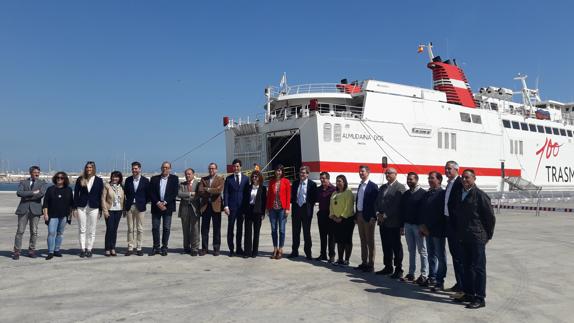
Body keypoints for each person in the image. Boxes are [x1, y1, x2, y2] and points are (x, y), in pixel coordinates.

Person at [453, 169, 495, 309]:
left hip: (477, 237)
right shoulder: (460, 194)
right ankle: (469, 293)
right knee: (466, 267)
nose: (464, 180)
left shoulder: (480, 195)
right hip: (464, 237)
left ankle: (480, 297)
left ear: (474, 178)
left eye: (467, 178)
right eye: (463, 178)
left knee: (478, 268)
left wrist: (487, 235)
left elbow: (490, 218)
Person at [375, 167, 406, 278]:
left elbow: (397, 205)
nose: (387, 175)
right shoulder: (383, 187)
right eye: (386, 173)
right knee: (386, 245)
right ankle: (388, 267)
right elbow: (377, 201)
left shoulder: (400, 187)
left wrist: (385, 215)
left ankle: (398, 269)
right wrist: (378, 213)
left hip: (394, 222)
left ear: (395, 174)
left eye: (389, 173)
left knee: (396, 246)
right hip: (382, 222)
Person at [419, 171, 447, 291]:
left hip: (438, 230)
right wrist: (422, 226)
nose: (430, 180)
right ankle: (432, 277)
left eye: (432, 178)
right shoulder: (427, 194)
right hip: (427, 230)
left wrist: (428, 227)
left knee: (440, 257)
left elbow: (440, 214)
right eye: (429, 178)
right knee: (431, 255)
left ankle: (440, 281)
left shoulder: (443, 194)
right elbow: (423, 211)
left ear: (439, 180)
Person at [13, 166, 47, 260]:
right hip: (23, 209)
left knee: (34, 231)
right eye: (35, 172)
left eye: (38, 172)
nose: (37, 174)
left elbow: (41, 194)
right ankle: (17, 251)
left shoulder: (42, 183)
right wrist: (32, 193)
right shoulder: (23, 182)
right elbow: (19, 193)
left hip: (35, 210)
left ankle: (31, 250)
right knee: (20, 231)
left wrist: (26, 195)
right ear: (30, 173)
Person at [399, 172, 428, 284]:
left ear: (417, 180)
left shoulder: (423, 194)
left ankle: (424, 274)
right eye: (408, 179)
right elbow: (402, 211)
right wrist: (402, 226)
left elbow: (425, 212)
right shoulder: (406, 194)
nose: (409, 181)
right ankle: (411, 273)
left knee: (422, 251)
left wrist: (423, 227)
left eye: (411, 179)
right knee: (411, 250)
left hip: (418, 226)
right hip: (408, 225)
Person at [74, 161, 104, 258]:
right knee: (82, 229)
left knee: (92, 229)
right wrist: (75, 208)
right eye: (87, 167)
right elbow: (76, 194)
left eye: (90, 167)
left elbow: (101, 195)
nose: (88, 169)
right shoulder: (80, 179)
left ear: (93, 168)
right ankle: (82, 249)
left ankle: (89, 249)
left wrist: (100, 209)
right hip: (81, 206)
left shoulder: (99, 180)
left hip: (94, 207)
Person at [149, 161, 179, 256]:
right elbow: (151, 192)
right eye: (163, 167)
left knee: (166, 228)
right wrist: (158, 202)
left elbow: (174, 193)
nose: (165, 169)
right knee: (155, 228)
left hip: (168, 207)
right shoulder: (154, 179)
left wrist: (165, 202)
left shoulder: (174, 179)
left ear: (170, 169)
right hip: (156, 206)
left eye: (167, 167)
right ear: (161, 168)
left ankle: (164, 247)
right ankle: (156, 247)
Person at [42, 172, 73, 260]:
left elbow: (71, 204)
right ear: (55, 178)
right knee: (51, 233)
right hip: (52, 215)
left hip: (63, 215)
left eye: (61, 178)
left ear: (65, 179)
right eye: (58, 177)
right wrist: (45, 214)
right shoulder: (50, 189)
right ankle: (50, 252)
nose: (59, 179)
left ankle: (57, 250)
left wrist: (70, 216)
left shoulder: (69, 190)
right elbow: (45, 203)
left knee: (60, 233)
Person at [289, 166, 318, 260]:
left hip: (306, 210)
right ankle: (294, 251)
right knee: (295, 232)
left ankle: (308, 253)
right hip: (296, 210)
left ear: (307, 174)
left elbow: (314, 198)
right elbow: (292, 197)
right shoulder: (295, 183)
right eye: (301, 172)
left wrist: (309, 207)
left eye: (304, 173)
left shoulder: (312, 184)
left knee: (306, 233)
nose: (302, 174)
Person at [354, 165, 379, 273]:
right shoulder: (360, 185)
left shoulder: (373, 186)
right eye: (360, 171)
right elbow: (358, 200)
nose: (361, 173)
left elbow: (375, 202)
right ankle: (364, 262)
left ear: (368, 172)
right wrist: (356, 215)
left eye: (363, 171)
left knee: (370, 241)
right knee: (362, 240)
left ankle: (371, 264)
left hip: (369, 217)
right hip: (359, 215)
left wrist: (374, 216)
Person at [444, 160, 464, 293]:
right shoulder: (449, 183)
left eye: (449, 169)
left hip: (456, 225)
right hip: (448, 222)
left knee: (460, 256)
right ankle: (459, 283)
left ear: (457, 169)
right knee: (454, 255)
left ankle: (463, 286)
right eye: (445, 169)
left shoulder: (460, 183)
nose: (446, 171)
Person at [123, 161, 150, 256]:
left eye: (136, 168)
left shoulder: (145, 181)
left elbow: (148, 194)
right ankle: (130, 247)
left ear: (139, 169)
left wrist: (143, 202)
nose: (134, 170)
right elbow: (125, 193)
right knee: (130, 228)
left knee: (140, 229)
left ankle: (139, 248)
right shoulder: (128, 180)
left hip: (140, 207)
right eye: (133, 168)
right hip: (130, 206)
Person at [223, 159, 249, 256]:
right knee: (230, 228)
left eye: (237, 166)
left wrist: (247, 207)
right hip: (231, 208)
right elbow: (225, 193)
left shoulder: (246, 178)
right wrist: (225, 206)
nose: (236, 168)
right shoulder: (228, 179)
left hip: (242, 208)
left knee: (239, 229)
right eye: (234, 166)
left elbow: (247, 194)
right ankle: (231, 249)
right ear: (232, 167)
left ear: (240, 167)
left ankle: (239, 248)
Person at [198, 163, 225, 256]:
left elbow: (219, 191)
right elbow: (200, 191)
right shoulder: (203, 179)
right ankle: (204, 248)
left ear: (216, 169)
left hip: (216, 207)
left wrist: (208, 189)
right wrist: (212, 189)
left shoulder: (220, 179)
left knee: (217, 229)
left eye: (213, 168)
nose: (211, 170)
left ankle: (216, 249)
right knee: (204, 229)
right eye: (210, 168)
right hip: (205, 206)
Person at [266, 164, 291, 260]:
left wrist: (288, 208)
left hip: (282, 209)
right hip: (272, 209)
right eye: (277, 170)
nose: (278, 172)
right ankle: (275, 248)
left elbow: (288, 196)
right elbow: (268, 196)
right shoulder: (271, 182)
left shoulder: (286, 182)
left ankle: (280, 249)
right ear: (275, 171)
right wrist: (267, 208)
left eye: (280, 170)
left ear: (282, 172)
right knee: (273, 230)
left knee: (282, 230)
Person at [329, 175, 354, 266]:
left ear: (344, 182)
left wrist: (341, 217)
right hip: (335, 220)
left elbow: (349, 206)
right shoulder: (334, 193)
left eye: (340, 181)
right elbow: (331, 205)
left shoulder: (348, 192)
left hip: (346, 220)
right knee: (339, 240)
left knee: (347, 240)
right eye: (337, 181)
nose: (338, 183)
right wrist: (333, 215)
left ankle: (346, 259)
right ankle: (340, 259)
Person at [242, 170, 267, 258]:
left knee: (256, 233)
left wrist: (263, 213)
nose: (254, 178)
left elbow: (264, 202)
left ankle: (255, 252)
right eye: (252, 177)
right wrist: (244, 212)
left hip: (258, 212)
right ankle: (247, 252)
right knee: (248, 232)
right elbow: (244, 200)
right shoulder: (248, 187)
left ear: (259, 178)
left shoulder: (263, 188)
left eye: (256, 176)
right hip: (249, 211)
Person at [101, 171, 125, 257]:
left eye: (117, 177)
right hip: (110, 210)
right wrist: (105, 211)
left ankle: (113, 248)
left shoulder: (121, 186)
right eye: (114, 177)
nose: (115, 178)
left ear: (119, 178)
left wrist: (124, 210)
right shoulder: (107, 186)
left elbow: (123, 199)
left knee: (114, 230)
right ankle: (107, 249)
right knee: (110, 229)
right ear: (111, 177)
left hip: (118, 210)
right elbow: (103, 199)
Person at [178, 168, 200, 256]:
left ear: (193, 174)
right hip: (184, 210)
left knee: (195, 229)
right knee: (185, 229)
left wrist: (186, 195)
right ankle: (186, 247)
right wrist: (190, 194)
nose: (188, 175)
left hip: (195, 209)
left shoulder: (198, 184)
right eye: (186, 174)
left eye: (189, 174)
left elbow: (198, 195)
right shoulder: (182, 184)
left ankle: (195, 248)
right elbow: (179, 194)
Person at [316, 172, 336, 262]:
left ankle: (331, 255)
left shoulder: (333, 189)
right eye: (321, 178)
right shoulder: (319, 189)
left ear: (328, 179)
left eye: (324, 178)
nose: (322, 180)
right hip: (321, 214)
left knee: (331, 236)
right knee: (322, 235)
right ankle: (323, 254)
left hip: (331, 215)